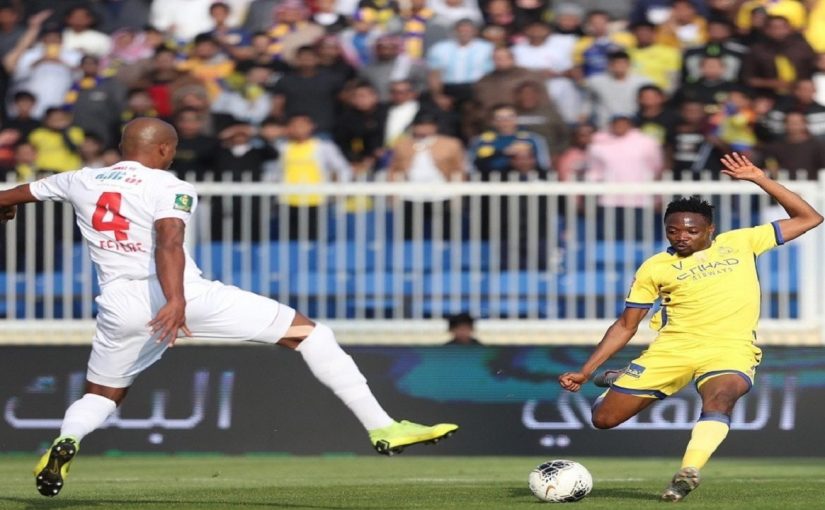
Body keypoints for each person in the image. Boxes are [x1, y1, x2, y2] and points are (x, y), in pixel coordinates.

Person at [0, 118, 457, 498]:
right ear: (163, 149)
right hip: (182, 294)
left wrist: (8, 209)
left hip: (118, 304)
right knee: (311, 334)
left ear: (123, 148)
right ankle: (382, 427)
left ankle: (66, 440)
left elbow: (12, 194)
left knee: (102, 394)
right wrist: (176, 300)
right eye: (172, 150)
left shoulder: (80, 179)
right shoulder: (170, 185)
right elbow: (169, 241)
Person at [558, 152, 823, 502]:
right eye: (673, 230)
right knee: (604, 420)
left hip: (730, 348)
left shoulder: (741, 242)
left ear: (710, 229)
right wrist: (586, 370)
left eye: (691, 230)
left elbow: (810, 217)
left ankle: (688, 472)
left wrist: (760, 179)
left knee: (721, 398)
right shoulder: (655, 267)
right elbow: (626, 325)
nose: (681, 237)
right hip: (673, 350)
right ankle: (619, 379)